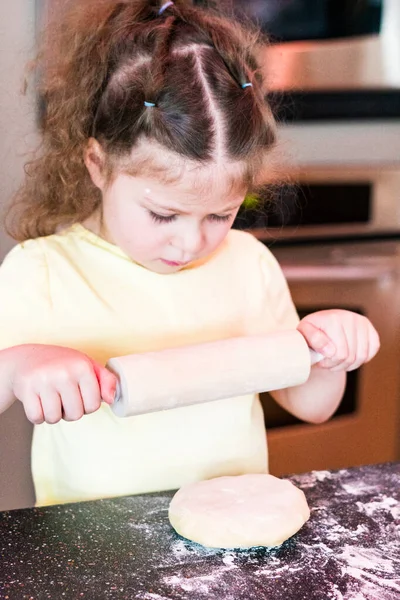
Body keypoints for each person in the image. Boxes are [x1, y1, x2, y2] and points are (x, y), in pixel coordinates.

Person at [0, 0, 379, 507]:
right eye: (163, 215)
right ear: (98, 165)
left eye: (221, 215)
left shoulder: (248, 265)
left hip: (233, 530)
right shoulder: (44, 271)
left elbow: (309, 405)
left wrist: (330, 353)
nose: (190, 242)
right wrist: (18, 366)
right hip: (96, 544)